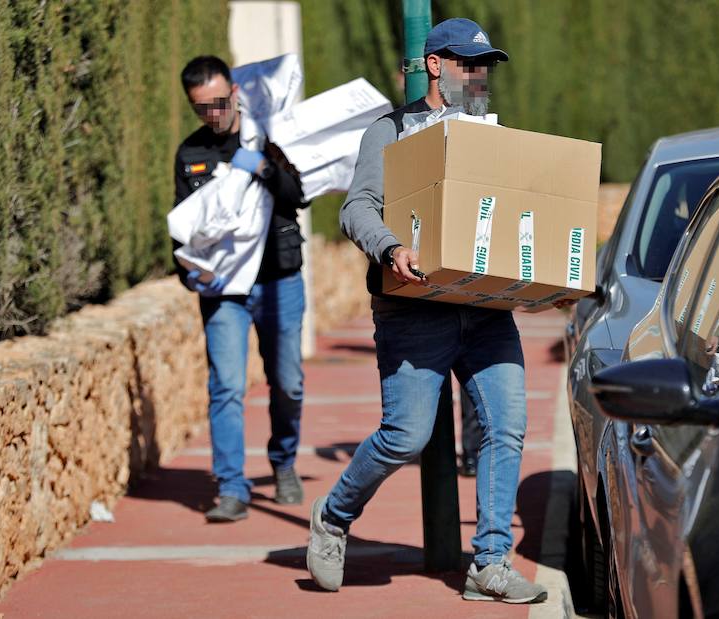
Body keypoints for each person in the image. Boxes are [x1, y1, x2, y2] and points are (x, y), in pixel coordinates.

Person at [306, 19, 548, 604]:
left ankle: (489, 563)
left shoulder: (493, 134)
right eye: (469, 64)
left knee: (506, 427)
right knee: (406, 436)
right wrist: (391, 247)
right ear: (435, 65)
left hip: (485, 310)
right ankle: (333, 515)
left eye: (485, 65)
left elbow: (519, 212)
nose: (480, 75)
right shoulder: (389, 131)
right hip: (414, 310)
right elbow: (357, 206)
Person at [174, 56, 309, 522]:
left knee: (287, 383)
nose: (211, 114)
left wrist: (268, 170)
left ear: (233, 91)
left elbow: (299, 196)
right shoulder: (190, 153)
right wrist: (186, 272)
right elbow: (182, 228)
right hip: (224, 291)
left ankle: (284, 462)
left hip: (279, 278)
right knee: (226, 386)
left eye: (217, 103)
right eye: (200, 108)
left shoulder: (266, 135)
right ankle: (232, 486)